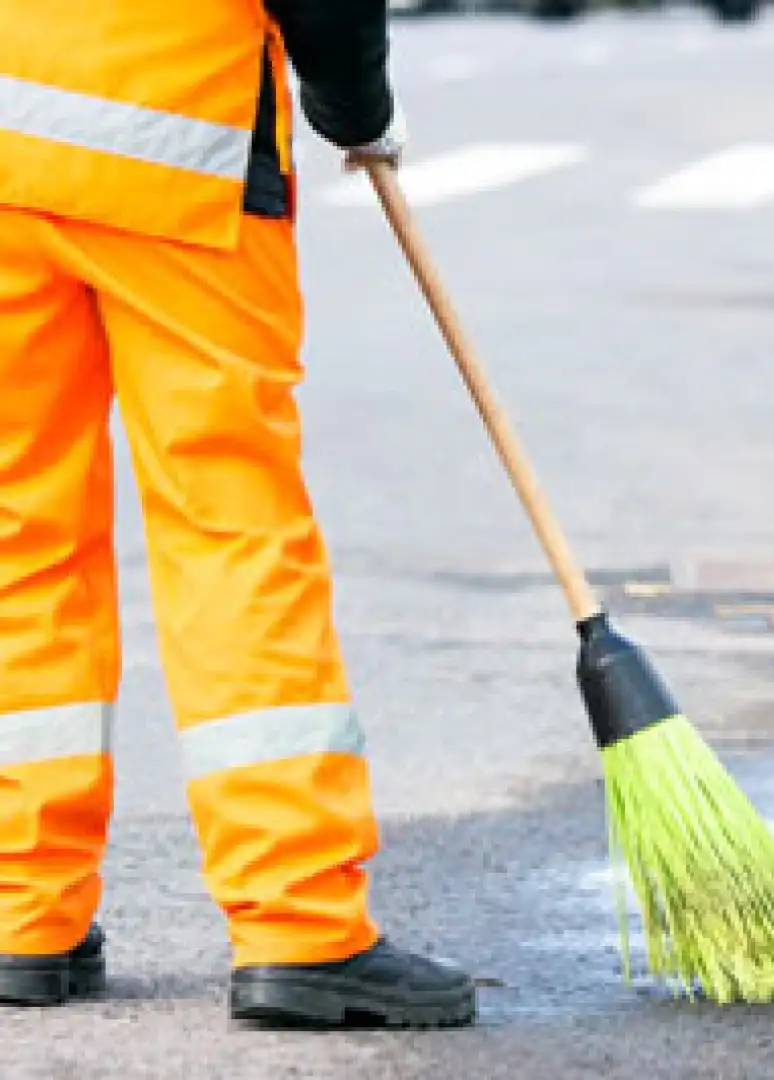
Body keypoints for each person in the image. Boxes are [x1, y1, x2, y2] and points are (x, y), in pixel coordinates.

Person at [0, 0, 476, 1029]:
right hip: (172, 146)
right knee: (230, 529)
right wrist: (355, 103)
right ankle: (302, 927)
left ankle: (18, 906)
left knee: (16, 534)